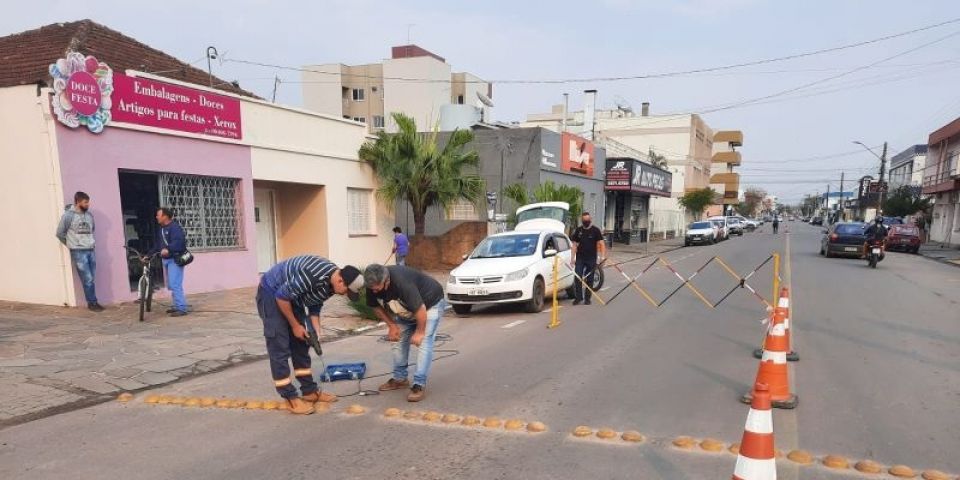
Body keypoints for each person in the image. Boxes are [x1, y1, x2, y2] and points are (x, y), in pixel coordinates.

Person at [257, 256, 364, 414]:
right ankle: (289, 398)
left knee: (302, 341)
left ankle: (309, 392)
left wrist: (315, 327)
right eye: (346, 291)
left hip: (293, 297)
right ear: (340, 281)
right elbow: (281, 297)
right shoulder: (313, 275)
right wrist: (294, 325)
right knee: (279, 345)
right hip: (272, 293)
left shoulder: (332, 283)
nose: (344, 295)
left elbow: (315, 302)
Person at [362, 263, 446, 402]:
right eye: (372, 289)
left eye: (377, 288)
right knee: (398, 340)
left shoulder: (402, 282)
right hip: (406, 308)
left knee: (424, 342)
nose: (374, 291)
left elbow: (420, 310)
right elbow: (375, 306)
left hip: (430, 303)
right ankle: (400, 379)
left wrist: (419, 332)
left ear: (386, 281)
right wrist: (392, 326)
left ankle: (419, 383)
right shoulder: (372, 284)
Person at [56, 191, 102, 312]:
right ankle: (92, 303)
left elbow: (92, 229)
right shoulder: (68, 216)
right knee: (87, 278)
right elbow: (60, 233)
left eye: (88, 202)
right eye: (85, 202)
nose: (88, 204)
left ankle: (93, 301)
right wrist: (71, 244)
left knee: (91, 277)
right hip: (78, 251)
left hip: (90, 249)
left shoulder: (89, 216)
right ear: (78, 202)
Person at [150, 208, 189, 317]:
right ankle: (177, 305)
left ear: (165, 216)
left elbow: (179, 243)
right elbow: (158, 245)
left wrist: (168, 248)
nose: (157, 217)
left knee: (175, 284)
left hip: (175, 259)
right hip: (166, 260)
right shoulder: (162, 229)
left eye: (158, 215)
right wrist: (148, 255)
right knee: (172, 284)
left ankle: (182, 308)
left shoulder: (175, 228)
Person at [570, 212, 606, 306]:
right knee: (577, 277)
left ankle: (587, 298)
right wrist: (572, 258)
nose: (586, 222)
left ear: (590, 220)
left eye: (587, 220)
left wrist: (602, 257)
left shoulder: (595, 230)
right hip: (580, 258)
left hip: (591, 258)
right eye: (584, 220)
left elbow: (601, 244)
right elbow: (574, 245)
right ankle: (578, 298)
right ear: (582, 221)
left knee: (589, 279)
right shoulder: (578, 231)